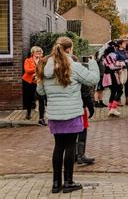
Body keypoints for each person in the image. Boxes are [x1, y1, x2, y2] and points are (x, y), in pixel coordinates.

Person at [36, 37, 99, 194]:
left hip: (55, 114)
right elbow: (93, 79)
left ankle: (56, 184)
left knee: (58, 147)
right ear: (69, 49)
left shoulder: (44, 65)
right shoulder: (73, 66)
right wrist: (92, 63)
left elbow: (41, 91)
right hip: (72, 114)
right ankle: (69, 182)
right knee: (70, 147)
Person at [71, 55, 95, 166]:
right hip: (80, 107)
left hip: (66, 108)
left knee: (70, 132)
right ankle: (81, 155)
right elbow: (86, 93)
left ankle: (72, 155)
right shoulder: (80, 74)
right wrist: (91, 108)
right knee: (82, 130)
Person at [22, 46, 47, 125]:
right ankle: (28, 112)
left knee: (41, 99)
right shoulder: (28, 60)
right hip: (28, 82)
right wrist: (37, 68)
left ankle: (41, 118)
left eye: (40, 52)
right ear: (33, 53)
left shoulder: (43, 61)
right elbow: (27, 70)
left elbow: (46, 69)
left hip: (39, 82)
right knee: (29, 98)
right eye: (37, 52)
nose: (38, 54)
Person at [102, 42, 125, 116]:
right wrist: (121, 67)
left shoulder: (105, 56)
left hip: (108, 75)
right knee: (120, 91)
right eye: (115, 47)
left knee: (113, 92)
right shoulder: (111, 56)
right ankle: (113, 108)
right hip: (112, 76)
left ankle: (110, 109)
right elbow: (112, 67)